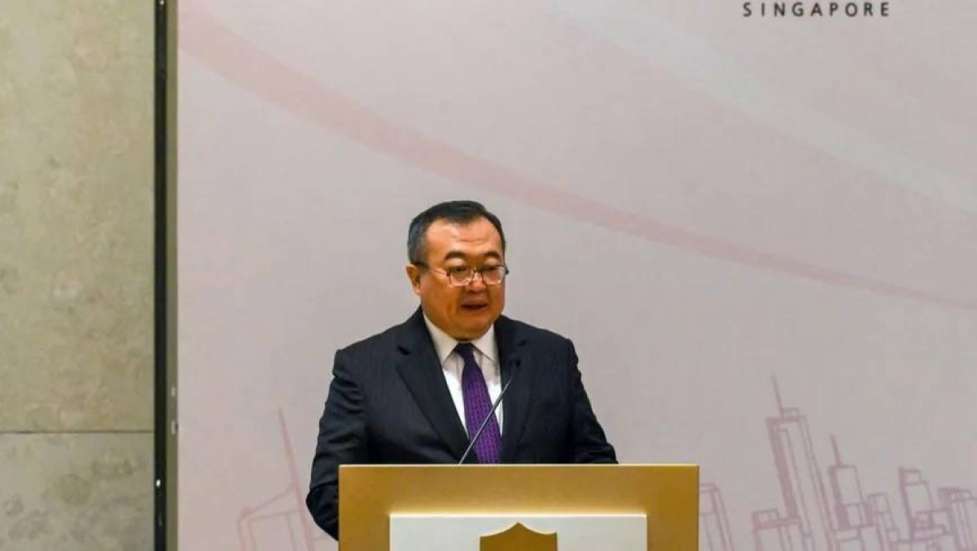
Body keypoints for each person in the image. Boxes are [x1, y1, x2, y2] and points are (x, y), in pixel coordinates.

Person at [306, 200, 617, 539]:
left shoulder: (549, 356)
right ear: (416, 278)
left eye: (491, 268)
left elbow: (596, 469)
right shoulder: (366, 369)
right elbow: (330, 493)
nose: (477, 284)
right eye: (458, 270)